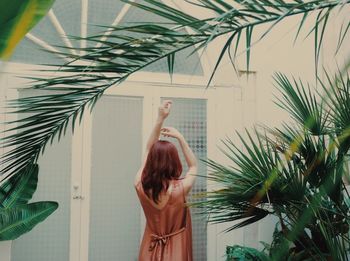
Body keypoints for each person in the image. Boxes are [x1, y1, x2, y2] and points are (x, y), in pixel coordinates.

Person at [134, 100, 198, 261]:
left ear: (151, 161)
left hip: (149, 250)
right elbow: (194, 166)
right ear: (174, 161)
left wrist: (160, 118)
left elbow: (149, 148)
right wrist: (180, 138)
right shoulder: (181, 188)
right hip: (177, 252)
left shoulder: (140, 185)